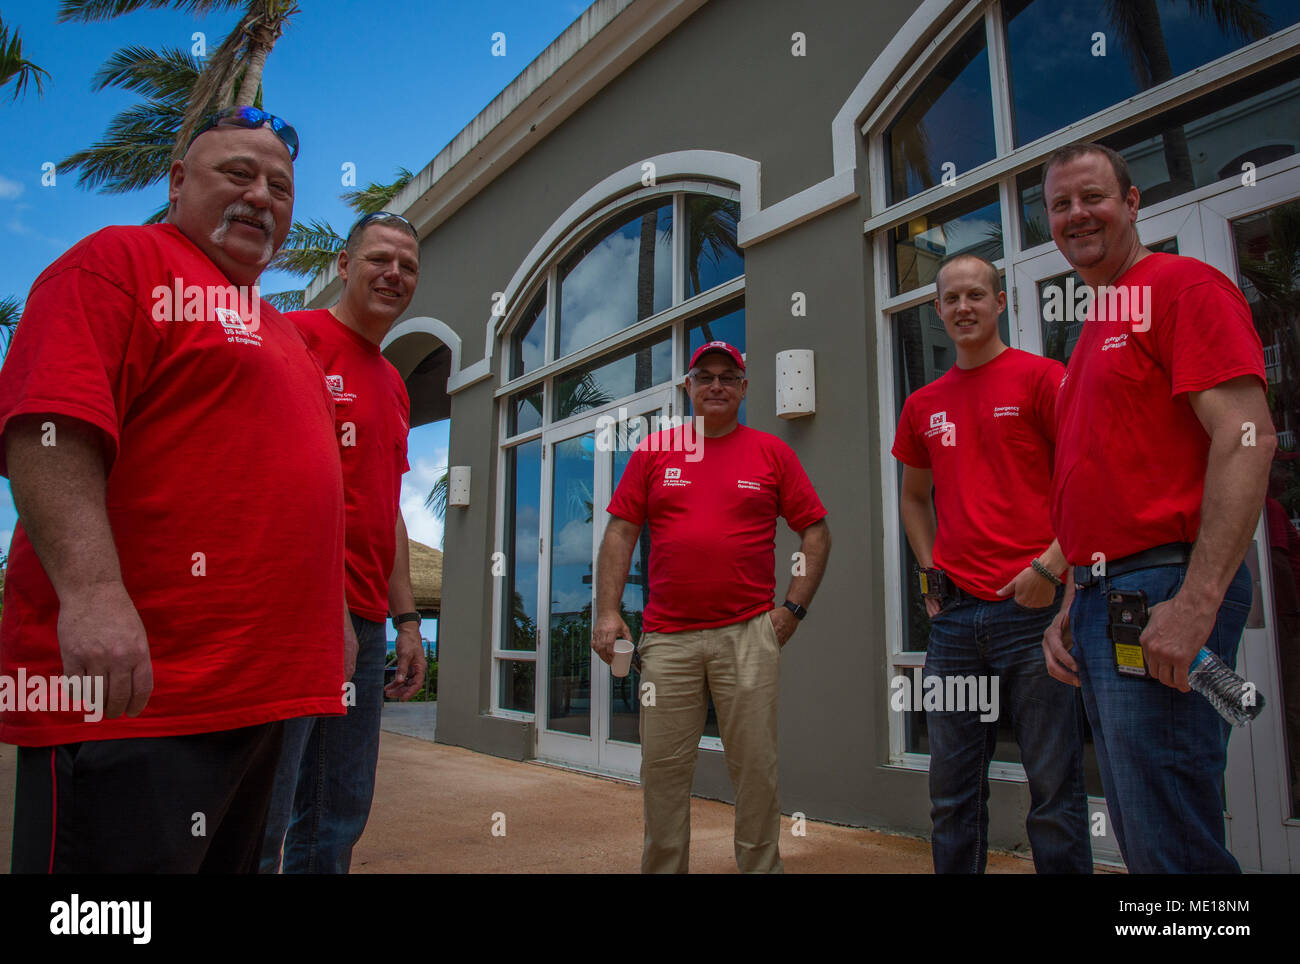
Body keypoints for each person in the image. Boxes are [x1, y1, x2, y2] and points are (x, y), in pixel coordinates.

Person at [0, 107, 354, 873]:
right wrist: (92, 593)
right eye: (238, 173)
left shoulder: (281, 329)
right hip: (138, 697)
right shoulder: (120, 261)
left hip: (263, 696)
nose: (262, 196)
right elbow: (47, 427)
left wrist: (335, 625)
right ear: (175, 182)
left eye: (281, 188)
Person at [1040, 142, 1274, 873]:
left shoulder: (1181, 287)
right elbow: (1104, 481)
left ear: (1134, 203)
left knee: (1172, 844)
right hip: (1108, 602)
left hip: (1163, 591)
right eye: (1060, 205)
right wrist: (1071, 601)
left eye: (1093, 197)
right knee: (1148, 836)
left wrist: (1198, 601)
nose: (1077, 214)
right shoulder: (1094, 330)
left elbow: (1248, 435)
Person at [593, 341, 831, 873]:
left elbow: (814, 530)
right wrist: (607, 611)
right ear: (689, 387)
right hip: (667, 640)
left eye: (728, 377)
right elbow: (620, 530)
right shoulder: (655, 451)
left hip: (748, 635)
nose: (717, 386)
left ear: (744, 389)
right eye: (706, 377)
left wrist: (792, 610)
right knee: (662, 772)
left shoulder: (771, 453)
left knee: (755, 772)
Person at [892, 253, 1091, 874]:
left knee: (1054, 789)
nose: (964, 308)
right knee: (951, 793)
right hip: (954, 621)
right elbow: (913, 497)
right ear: (937, 310)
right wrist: (929, 571)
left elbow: (1087, 478)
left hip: (1034, 617)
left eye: (976, 295)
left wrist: (1052, 567)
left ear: (1000, 302)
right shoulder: (924, 404)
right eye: (951, 299)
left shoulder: (1042, 378)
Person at [260, 211, 426, 874]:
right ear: (342, 266)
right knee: (264, 806)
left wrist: (407, 620)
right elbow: (265, 476)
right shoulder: (295, 337)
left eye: (407, 266)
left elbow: (390, 512)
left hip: (367, 621)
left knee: (341, 806)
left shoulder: (392, 383)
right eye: (379, 259)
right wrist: (319, 602)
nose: (393, 274)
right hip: (294, 610)